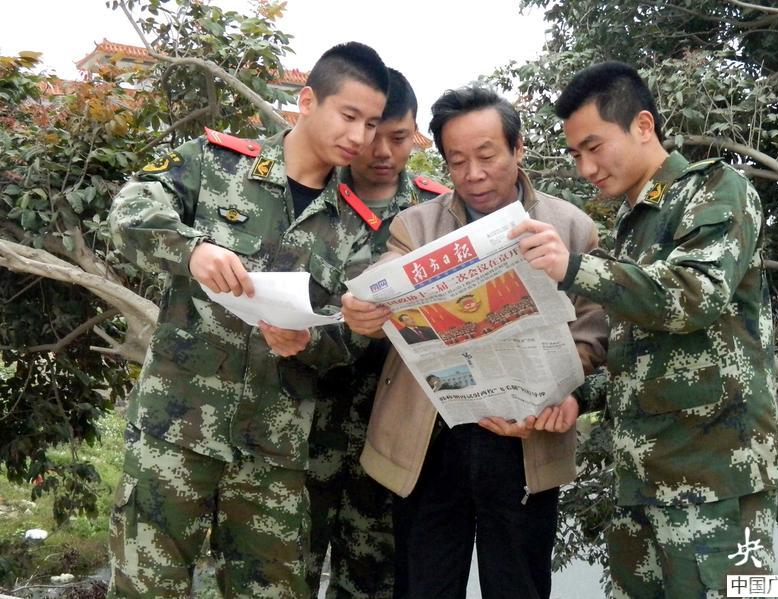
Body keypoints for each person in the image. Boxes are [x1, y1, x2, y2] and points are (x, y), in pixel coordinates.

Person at [106, 42, 390, 598]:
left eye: (372, 124)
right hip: (174, 433)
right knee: (145, 589)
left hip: (273, 453)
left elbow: (351, 340)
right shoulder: (216, 163)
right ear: (307, 101)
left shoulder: (357, 228)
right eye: (349, 115)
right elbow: (128, 211)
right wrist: (192, 250)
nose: (360, 136)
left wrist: (308, 341)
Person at [510, 61, 778, 597]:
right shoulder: (635, 222)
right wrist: (577, 397)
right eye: (575, 154)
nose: (585, 167)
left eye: (594, 146)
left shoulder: (715, 188)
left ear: (643, 125)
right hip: (644, 481)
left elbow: (696, 295)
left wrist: (573, 267)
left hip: (714, 480)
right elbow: (639, 354)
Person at [341, 86, 607, 599]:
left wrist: (563, 393)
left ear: (518, 148)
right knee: (424, 585)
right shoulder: (417, 225)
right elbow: (384, 278)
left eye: (487, 156)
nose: (473, 174)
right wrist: (363, 307)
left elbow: (593, 330)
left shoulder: (571, 228)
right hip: (430, 441)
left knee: (518, 584)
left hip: (524, 439)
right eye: (457, 161)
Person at [305, 68, 449, 599]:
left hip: (393, 438)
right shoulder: (311, 195)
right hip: (307, 424)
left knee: (375, 583)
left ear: (416, 135)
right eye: (372, 134)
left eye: (399, 137)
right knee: (287, 572)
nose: (383, 151)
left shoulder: (439, 214)